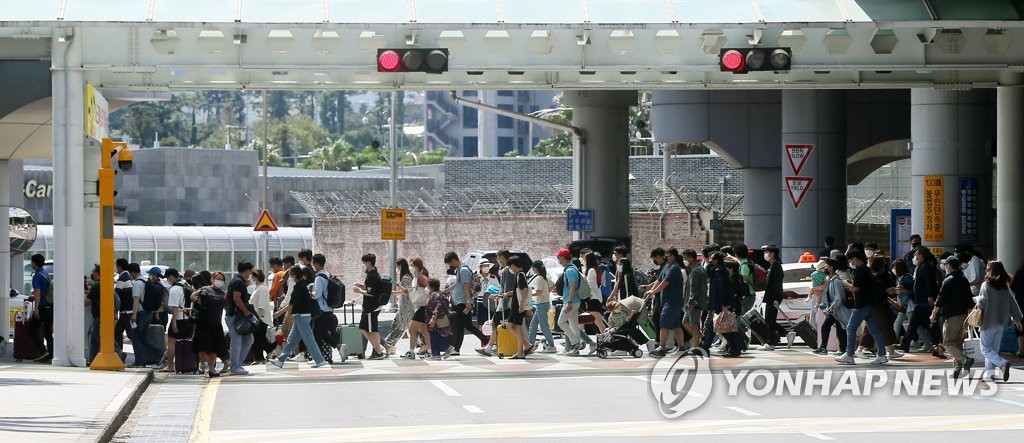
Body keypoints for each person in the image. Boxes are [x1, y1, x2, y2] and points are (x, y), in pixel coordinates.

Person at [270, 266, 329, 368]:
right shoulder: (301, 286)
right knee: (291, 341)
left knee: (309, 339)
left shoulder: (299, 287)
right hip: (300, 317)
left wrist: (279, 313)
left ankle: (320, 360)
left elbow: (291, 305)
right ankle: (280, 360)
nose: (290, 277)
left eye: (291, 275)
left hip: (302, 316)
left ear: (295, 275)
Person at [835, 250, 889, 365]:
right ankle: (882, 354)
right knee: (875, 330)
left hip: (861, 305)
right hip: (870, 304)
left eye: (851, 260)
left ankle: (849, 354)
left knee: (850, 328)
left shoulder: (859, 270)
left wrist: (845, 283)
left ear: (855, 258)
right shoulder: (867, 269)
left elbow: (856, 288)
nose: (850, 262)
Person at [974, 261, 1024, 382]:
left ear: (992, 271)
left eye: (987, 268)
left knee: (985, 349)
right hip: (1001, 323)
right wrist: (1018, 319)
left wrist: (975, 298)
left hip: (988, 322)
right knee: (993, 349)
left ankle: (1002, 363)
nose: (986, 270)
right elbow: (1013, 303)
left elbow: (983, 303)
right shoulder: (1004, 286)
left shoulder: (986, 285)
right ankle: (989, 374)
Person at [931, 256, 976, 379]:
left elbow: (940, 299)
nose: (945, 267)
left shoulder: (948, 280)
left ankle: (965, 360)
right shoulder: (963, 279)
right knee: (958, 343)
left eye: (946, 264)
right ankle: (957, 369)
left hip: (952, 316)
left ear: (949, 266)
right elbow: (970, 300)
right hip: (964, 315)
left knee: (947, 343)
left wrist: (934, 314)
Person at [442, 252, 488, 356]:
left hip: (463, 303)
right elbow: (457, 284)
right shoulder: (460, 269)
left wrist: (468, 301)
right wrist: (446, 291)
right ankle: (487, 342)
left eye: (450, 263)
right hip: (462, 302)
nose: (450, 266)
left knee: (459, 326)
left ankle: (456, 349)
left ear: (453, 260)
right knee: (468, 326)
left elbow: (466, 286)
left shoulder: (463, 270)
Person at [645, 248, 687, 357]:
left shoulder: (674, 268)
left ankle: (662, 347)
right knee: (676, 325)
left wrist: (653, 292)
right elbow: (659, 280)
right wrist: (649, 290)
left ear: (673, 256)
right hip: (668, 301)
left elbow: (665, 282)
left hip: (673, 302)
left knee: (664, 323)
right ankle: (682, 348)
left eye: (667, 255)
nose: (665, 257)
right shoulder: (666, 267)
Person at [902, 247, 942, 354]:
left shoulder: (925, 267)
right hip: (921, 302)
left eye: (917, 254)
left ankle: (905, 344)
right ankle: (937, 343)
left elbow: (928, 283)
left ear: (922, 255)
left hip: (923, 302)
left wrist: (930, 295)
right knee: (929, 324)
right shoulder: (921, 267)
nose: (915, 256)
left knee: (914, 324)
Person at [191, 272, 229, 378]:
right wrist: (198, 296)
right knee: (202, 346)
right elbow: (192, 296)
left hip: (216, 323)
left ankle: (211, 369)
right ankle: (202, 364)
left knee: (214, 348)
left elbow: (227, 307)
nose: (220, 281)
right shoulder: (206, 289)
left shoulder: (223, 293)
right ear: (212, 279)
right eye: (218, 279)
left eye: (222, 279)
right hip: (203, 322)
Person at [352, 253, 386, 360]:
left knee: (372, 330)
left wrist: (359, 291)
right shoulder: (373, 275)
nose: (363, 264)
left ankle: (378, 352)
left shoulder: (372, 276)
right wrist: (362, 286)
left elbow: (371, 293)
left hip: (372, 307)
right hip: (369, 307)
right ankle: (377, 348)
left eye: (364, 262)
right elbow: (371, 289)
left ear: (369, 263)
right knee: (363, 328)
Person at [225, 261, 255, 376]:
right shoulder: (238, 282)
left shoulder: (236, 281)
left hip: (234, 315)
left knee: (248, 339)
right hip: (235, 316)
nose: (250, 275)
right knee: (236, 342)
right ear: (247, 271)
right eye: (250, 272)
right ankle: (235, 367)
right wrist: (246, 311)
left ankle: (238, 364)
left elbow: (227, 296)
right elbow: (237, 299)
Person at [132, 267, 167, 367]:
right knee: (142, 338)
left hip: (141, 313)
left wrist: (134, 314)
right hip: (149, 313)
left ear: (154, 275)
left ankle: (139, 361)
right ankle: (160, 353)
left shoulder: (141, 283)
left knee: (137, 338)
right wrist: (155, 312)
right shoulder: (157, 285)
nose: (150, 276)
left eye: (151, 274)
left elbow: (136, 299)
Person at [159, 269, 191, 372]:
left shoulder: (175, 289)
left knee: (171, 342)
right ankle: (187, 364)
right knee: (187, 342)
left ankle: (170, 366)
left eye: (167, 278)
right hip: (189, 318)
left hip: (179, 319)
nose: (167, 280)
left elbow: (175, 307)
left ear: (172, 276)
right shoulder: (186, 284)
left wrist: (174, 323)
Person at [817, 258, 850, 355]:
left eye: (826, 266)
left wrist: (830, 308)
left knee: (839, 330)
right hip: (834, 310)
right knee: (832, 328)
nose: (825, 269)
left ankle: (842, 349)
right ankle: (827, 347)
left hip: (837, 310)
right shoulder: (832, 280)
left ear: (831, 268)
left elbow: (838, 299)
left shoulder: (836, 281)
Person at [311, 254, 341, 360]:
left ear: (317, 264)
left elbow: (317, 294)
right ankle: (329, 353)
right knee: (323, 332)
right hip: (329, 308)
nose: (313, 266)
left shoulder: (319, 277)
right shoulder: (328, 274)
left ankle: (324, 356)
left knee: (318, 333)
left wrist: (309, 294)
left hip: (321, 309)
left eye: (313, 263)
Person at [554, 248, 584, 356]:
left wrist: (569, 303)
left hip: (571, 302)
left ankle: (576, 343)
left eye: (558, 257)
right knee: (573, 325)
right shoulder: (571, 268)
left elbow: (572, 286)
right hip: (573, 301)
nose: (558, 259)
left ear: (563, 257)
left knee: (561, 322)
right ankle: (576, 349)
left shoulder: (570, 270)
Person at [399, 259, 431, 359]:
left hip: (422, 306)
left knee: (412, 328)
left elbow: (429, 287)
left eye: (412, 265)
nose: (411, 267)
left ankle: (412, 352)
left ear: (417, 266)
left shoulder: (421, 276)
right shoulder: (416, 277)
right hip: (418, 306)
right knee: (424, 331)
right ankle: (430, 351)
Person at [385, 259, 415, 356]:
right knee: (403, 327)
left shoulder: (406, 278)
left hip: (406, 307)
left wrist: (393, 291)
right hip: (405, 307)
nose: (397, 269)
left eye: (397, 266)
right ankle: (390, 345)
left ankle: (389, 345)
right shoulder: (408, 277)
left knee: (399, 327)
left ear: (401, 266)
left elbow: (406, 291)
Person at [28, 254, 54, 362]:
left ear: (34, 263)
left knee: (32, 328)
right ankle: (51, 354)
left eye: (32, 261)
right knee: (48, 332)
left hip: (42, 307)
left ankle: (43, 351)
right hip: (50, 306)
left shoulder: (37, 276)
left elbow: (38, 292)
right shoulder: (46, 273)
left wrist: (36, 309)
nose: (31, 263)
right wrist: (34, 297)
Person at [504, 256, 532, 359]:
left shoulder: (520, 275)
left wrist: (522, 305)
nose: (510, 269)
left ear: (514, 265)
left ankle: (520, 352)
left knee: (517, 328)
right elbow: (519, 290)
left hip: (518, 307)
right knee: (509, 326)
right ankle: (526, 345)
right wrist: (509, 293)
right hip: (516, 306)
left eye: (511, 266)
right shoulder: (519, 275)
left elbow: (525, 289)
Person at [760, 245, 787, 351]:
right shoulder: (772, 266)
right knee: (769, 320)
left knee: (769, 320)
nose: (765, 255)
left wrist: (776, 298)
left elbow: (777, 284)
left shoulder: (776, 267)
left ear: (772, 254)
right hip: (770, 297)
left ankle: (771, 343)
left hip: (773, 297)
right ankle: (785, 333)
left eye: (767, 252)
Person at [527, 260, 557, 353]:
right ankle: (530, 344)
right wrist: (546, 291)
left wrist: (528, 294)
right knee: (533, 324)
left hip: (541, 304)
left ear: (535, 268)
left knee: (544, 326)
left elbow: (538, 292)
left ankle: (551, 345)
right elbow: (553, 285)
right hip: (544, 303)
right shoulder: (545, 277)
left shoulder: (539, 278)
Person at [680, 250, 706, 351]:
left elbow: (694, 289)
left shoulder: (696, 271)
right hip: (691, 302)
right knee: (685, 322)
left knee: (694, 324)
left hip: (694, 303)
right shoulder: (695, 269)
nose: (684, 260)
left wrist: (691, 302)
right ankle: (700, 336)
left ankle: (696, 347)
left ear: (690, 258)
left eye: (685, 258)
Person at [249, 268, 275, 364]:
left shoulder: (262, 288)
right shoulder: (259, 287)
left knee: (257, 338)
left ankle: (260, 357)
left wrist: (259, 317)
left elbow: (261, 304)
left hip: (260, 318)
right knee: (259, 338)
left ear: (256, 277)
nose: (251, 278)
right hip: (258, 317)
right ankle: (267, 351)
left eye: (253, 276)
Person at [425, 278, 453, 360]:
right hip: (433, 319)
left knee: (434, 335)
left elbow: (437, 307)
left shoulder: (434, 295)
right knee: (433, 334)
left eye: (428, 286)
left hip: (434, 320)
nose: (427, 287)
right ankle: (435, 354)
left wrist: (433, 319)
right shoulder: (438, 294)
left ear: (432, 287)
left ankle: (447, 347)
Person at [582, 252, 609, 334]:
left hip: (593, 298)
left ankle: (605, 337)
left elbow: (589, 285)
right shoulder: (595, 269)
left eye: (585, 259)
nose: (583, 260)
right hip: (595, 297)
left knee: (598, 321)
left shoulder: (591, 270)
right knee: (597, 321)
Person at [890, 259, 914, 343]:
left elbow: (911, 291)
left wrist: (902, 290)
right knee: (897, 323)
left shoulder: (907, 277)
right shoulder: (902, 277)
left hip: (908, 304)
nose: (893, 269)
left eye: (895, 267)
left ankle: (926, 342)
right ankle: (892, 342)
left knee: (915, 325)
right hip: (904, 305)